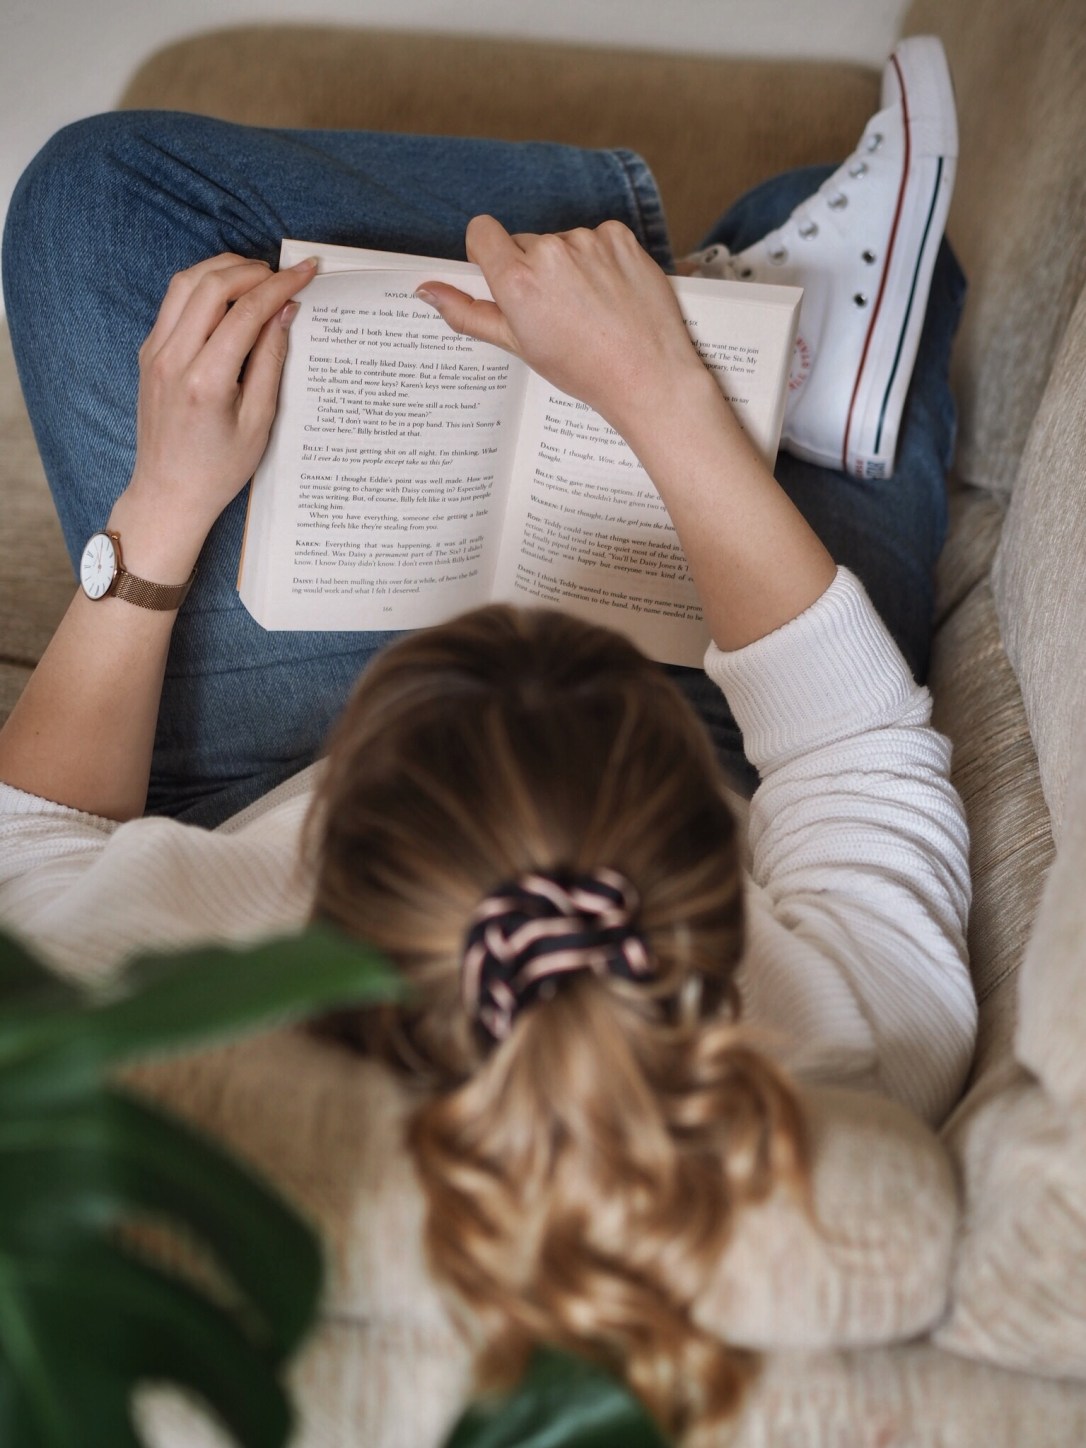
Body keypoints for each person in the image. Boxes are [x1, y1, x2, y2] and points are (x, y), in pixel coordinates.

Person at [0, 35, 974, 1438]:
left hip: (269, 752)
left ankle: (688, 300)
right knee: (859, 241)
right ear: (699, 843)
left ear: (322, 854)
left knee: (94, 199)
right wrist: (663, 403)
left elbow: (36, 833)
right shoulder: (851, 1054)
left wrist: (162, 510)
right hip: (732, 689)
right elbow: (850, 746)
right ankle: (688, 305)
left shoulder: (153, 990)